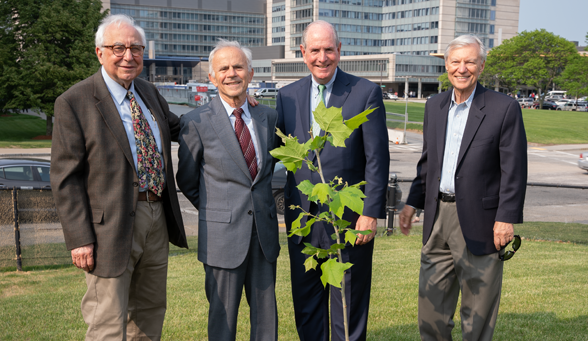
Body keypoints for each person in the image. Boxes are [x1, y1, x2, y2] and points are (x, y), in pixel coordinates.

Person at [50, 14, 188, 340]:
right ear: (100, 52)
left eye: (136, 48)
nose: (128, 55)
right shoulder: (75, 101)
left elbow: (181, 129)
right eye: (118, 47)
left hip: (156, 217)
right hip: (107, 230)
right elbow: (65, 178)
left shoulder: (149, 93)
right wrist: (79, 238)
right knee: (108, 323)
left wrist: (234, 104)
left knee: (149, 314)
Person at [399, 35, 528, 341]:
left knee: (477, 315)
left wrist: (505, 217)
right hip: (436, 218)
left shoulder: (504, 108)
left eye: (470, 61)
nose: (462, 68)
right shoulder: (434, 105)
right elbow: (428, 162)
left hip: (481, 221)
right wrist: (411, 203)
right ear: (446, 65)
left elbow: (514, 169)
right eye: (455, 61)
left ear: (481, 66)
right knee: (431, 311)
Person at [275, 20, 390, 341]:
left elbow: (377, 159)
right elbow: (280, 147)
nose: (322, 57)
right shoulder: (286, 97)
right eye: (315, 50)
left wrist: (370, 213)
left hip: (350, 222)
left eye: (329, 50)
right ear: (303, 53)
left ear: (339, 51)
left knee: (348, 308)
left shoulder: (365, 92)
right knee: (307, 309)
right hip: (303, 222)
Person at [176, 39, 280, 341]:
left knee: (266, 320)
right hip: (222, 240)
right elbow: (188, 180)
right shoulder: (194, 123)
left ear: (249, 72)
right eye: (223, 68)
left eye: (238, 66)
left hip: (264, 235)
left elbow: (266, 172)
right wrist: (219, 211)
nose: (231, 73)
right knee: (222, 321)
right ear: (212, 77)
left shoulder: (268, 118)